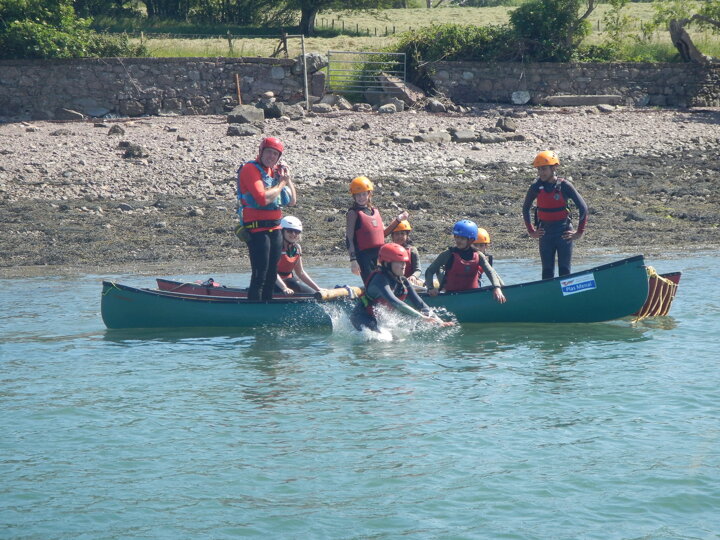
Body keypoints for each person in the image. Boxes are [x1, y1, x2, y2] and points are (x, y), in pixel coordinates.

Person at [236, 137, 296, 301]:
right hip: (257, 230)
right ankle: (254, 308)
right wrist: (281, 184)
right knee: (260, 274)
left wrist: (287, 179)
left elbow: (292, 201)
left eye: (275, 154)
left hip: (275, 229)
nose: (271, 156)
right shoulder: (250, 169)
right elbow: (262, 199)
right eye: (269, 152)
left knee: (271, 275)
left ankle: (267, 306)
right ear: (261, 152)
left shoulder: (275, 172)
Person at [350, 243, 453, 332]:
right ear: (386, 263)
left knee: (397, 339)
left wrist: (439, 321)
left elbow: (420, 304)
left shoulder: (403, 281)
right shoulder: (379, 280)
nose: (403, 265)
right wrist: (422, 317)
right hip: (362, 317)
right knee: (382, 338)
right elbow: (396, 302)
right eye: (399, 262)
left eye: (404, 262)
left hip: (377, 318)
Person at [522, 150, 588, 280]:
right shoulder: (535, 187)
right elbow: (525, 208)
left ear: (554, 168)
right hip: (545, 234)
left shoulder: (565, 186)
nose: (541, 172)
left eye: (544, 169)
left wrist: (579, 232)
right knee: (547, 272)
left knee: (565, 271)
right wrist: (531, 231)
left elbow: (583, 208)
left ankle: (565, 293)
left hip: (564, 233)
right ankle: (548, 293)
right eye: (539, 169)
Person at [425, 219, 506, 303]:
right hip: (451, 296)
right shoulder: (448, 254)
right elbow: (430, 271)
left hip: (472, 294)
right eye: (456, 237)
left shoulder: (478, 255)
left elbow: (490, 271)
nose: (458, 241)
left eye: (462, 238)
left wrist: (497, 287)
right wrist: (430, 288)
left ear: (471, 240)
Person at [345, 176, 408, 283]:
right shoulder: (353, 213)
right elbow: (349, 239)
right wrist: (353, 260)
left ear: (369, 194)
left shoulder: (374, 211)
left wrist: (398, 220)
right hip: (364, 257)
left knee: (390, 282)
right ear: (354, 196)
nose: (361, 197)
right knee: (374, 284)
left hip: (380, 255)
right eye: (358, 195)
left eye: (364, 194)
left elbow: (383, 234)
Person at [274, 216, 322, 295]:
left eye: (296, 232)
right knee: (292, 283)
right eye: (289, 231)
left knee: (295, 282)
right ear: (282, 231)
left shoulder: (297, 248)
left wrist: (318, 289)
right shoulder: (275, 248)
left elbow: (300, 273)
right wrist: (284, 288)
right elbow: (272, 273)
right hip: (274, 282)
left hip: (290, 282)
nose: (293, 234)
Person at [389, 220, 423, 286]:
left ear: (407, 235)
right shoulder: (388, 251)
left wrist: (413, 276)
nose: (400, 236)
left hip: (409, 282)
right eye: (397, 234)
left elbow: (418, 270)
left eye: (402, 233)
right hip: (393, 282)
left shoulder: (412, 250)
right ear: (392, 236)